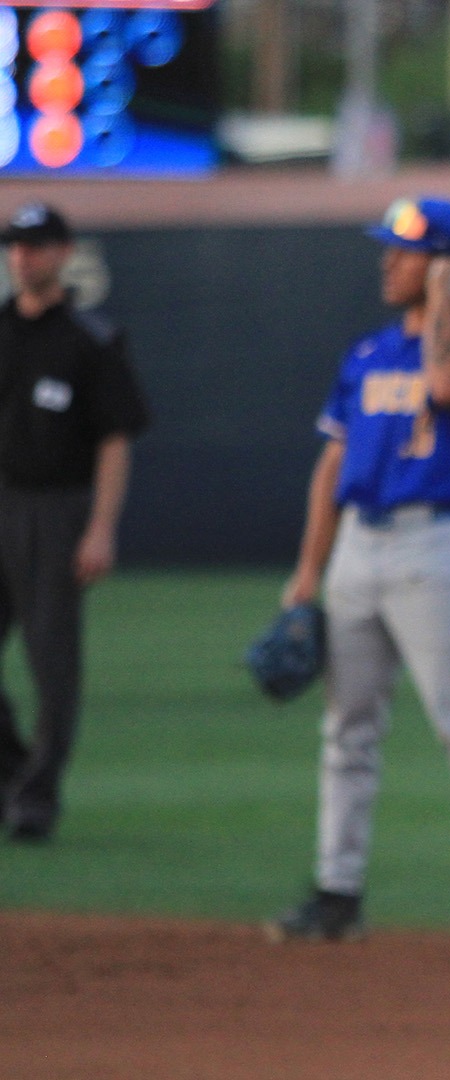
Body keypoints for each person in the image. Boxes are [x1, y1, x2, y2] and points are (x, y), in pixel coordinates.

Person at [266, 196, 450, 949]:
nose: (386, 261)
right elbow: (330, 467)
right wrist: (306, 573)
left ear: (449, 266)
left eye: (405, 251)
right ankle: (336, 891)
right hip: (358, 545)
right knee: (345, 729)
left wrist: (445, 301)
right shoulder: (364, 356)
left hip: (435, 547)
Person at [0, 202, 149, 845]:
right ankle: (12, 772)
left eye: (34, 246)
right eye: (14, 246)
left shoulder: (90, 340)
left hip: (57, 507)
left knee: (51, 659)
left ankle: (36, 795)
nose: (21, 257)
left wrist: (101, 527)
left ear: (63, 253)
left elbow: (115, 438)